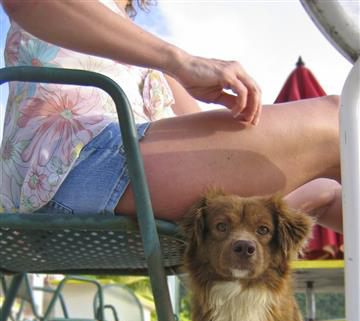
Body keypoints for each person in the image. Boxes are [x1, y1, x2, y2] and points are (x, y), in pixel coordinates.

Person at [0, 0, 343, 232]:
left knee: (330, 188)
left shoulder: (145, 59)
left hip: (124, 172)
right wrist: (178, 60)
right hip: (69, 169)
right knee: (339, 122)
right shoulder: (84, 19)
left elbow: (208, 144)